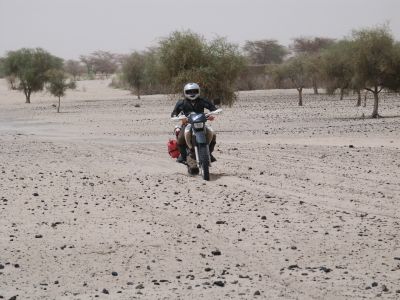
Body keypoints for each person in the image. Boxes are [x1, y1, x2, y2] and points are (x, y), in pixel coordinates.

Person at [171, 82, 218, 163]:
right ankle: (183, 156)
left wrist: (212, 113)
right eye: (189, 92)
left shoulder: (203, 101)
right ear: (185, 92)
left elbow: (213, 108)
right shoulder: (181, 103)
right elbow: (174, 113)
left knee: (213, 135)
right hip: (187, 124)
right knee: (181, 138)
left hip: (201, 123)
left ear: (198, 91)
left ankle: (209, 153)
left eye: (194, 91)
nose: (192, 94)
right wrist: (178, 117)